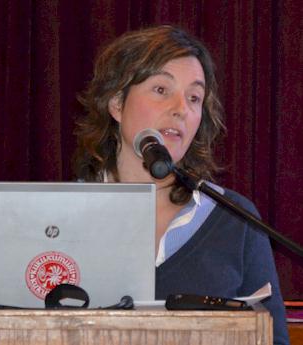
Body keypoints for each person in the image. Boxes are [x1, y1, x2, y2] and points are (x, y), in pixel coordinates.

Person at [73, 25, 289, 345]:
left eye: (194, 97)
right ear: (117, 102)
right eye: (161, 89)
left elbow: (275, 340)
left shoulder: (235, 220)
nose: (181, 109)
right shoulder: (63, 215)